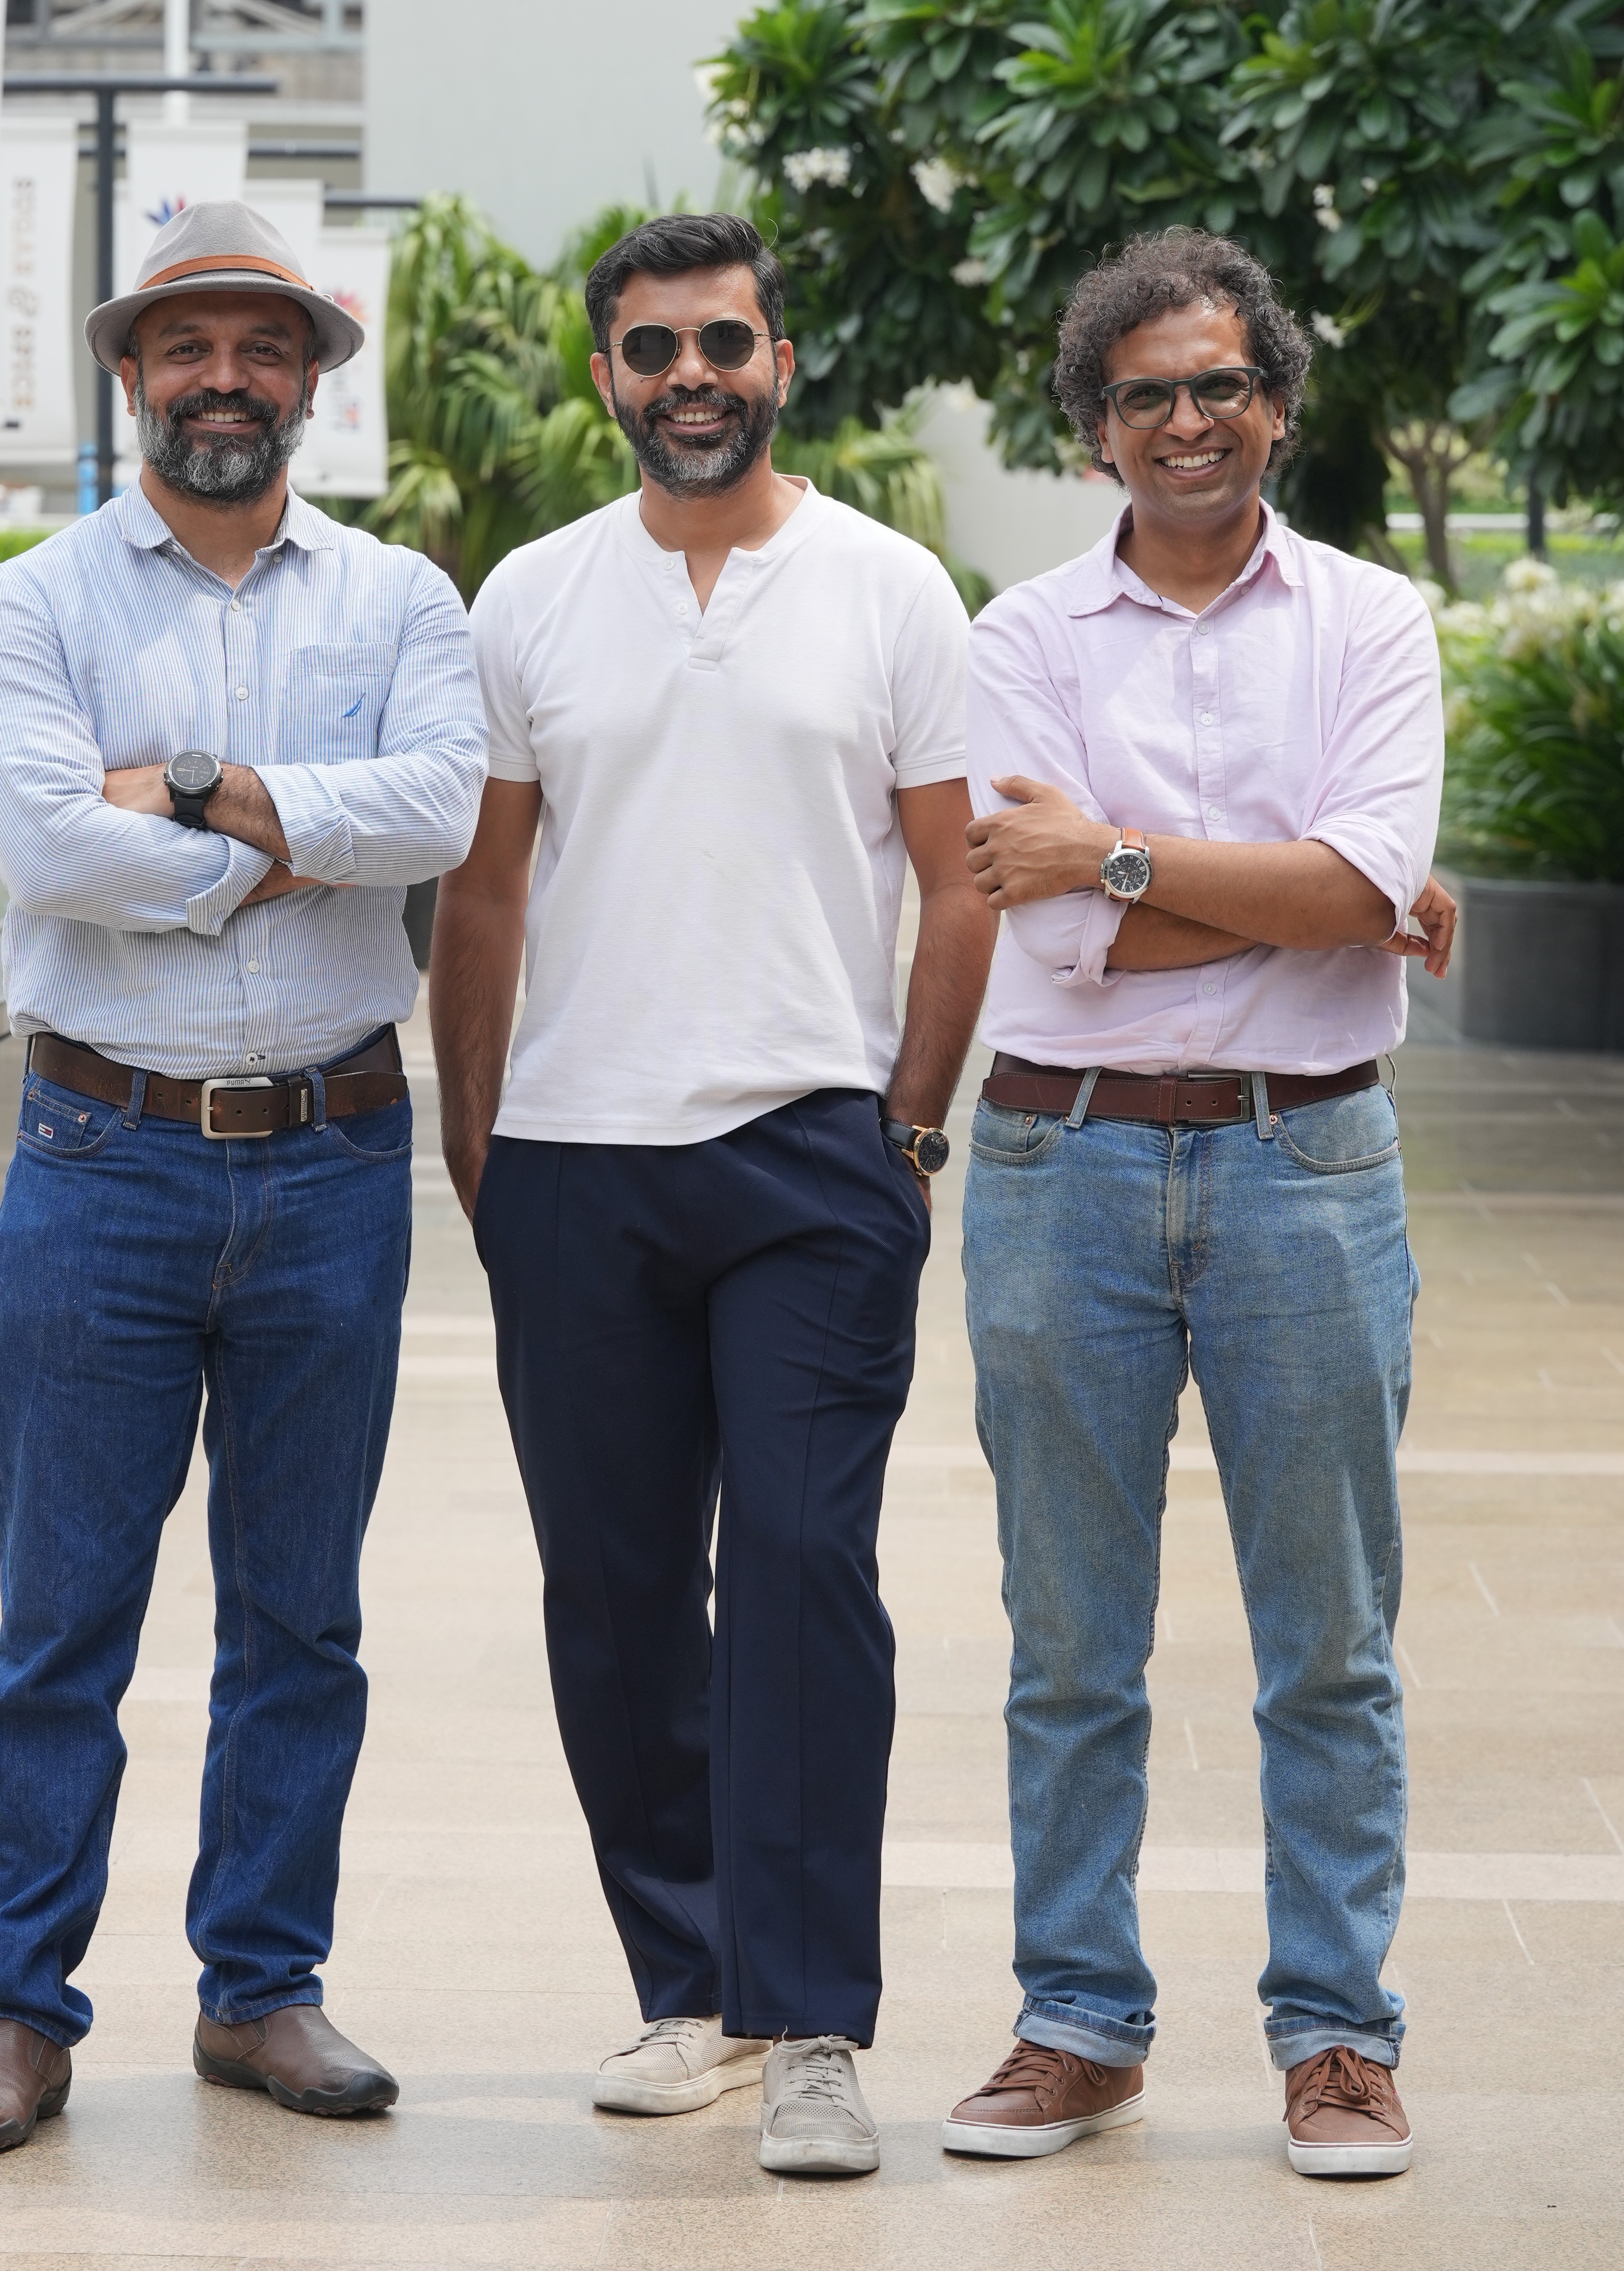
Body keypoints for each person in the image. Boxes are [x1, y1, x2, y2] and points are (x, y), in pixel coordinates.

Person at [0, 201, 487, 2156]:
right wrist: (293, 843)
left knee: (299, 1614)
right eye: (188, 346)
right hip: (104, 1158)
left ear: (312, 378)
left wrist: (177, 789)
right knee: (63, 1617)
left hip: (334, 1159)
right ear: (130, 374)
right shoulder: (37, 602)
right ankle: (15, 2009)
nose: (224, 379)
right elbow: (43, 853)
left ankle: (260, 1989)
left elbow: (440, 812)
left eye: (262, 346)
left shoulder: (401, 601)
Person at [429, 211, 994, 2184]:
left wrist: (907, 1132)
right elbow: (484, 891)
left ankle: (812, 2016)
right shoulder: (531, 597)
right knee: (613, 1599)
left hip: (812, 1159)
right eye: (655, 347)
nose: (692, 376)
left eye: (724, 343)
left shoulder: (890, 588)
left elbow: (961, 882)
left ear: (779, 362)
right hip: (574, 1164)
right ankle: (694, 1986)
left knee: (804, 1576)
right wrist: (479, 1149)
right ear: (608, 375)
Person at [945, 228, 1455, 2185]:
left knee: (1330, 1642)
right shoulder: (1019, 638)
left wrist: (1134, 862)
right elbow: (1051, 939)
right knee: (1070, 1642)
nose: (1187, 421)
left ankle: (1337, 2039)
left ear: (1276, 404)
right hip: (1057, 1161)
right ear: (1096, 426)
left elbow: (1358, 886)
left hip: (1304, 1161)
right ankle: (1079, 2025)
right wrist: (1300, 893)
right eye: (1146, 393)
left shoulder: (1371, 623)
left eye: (1220, 384)